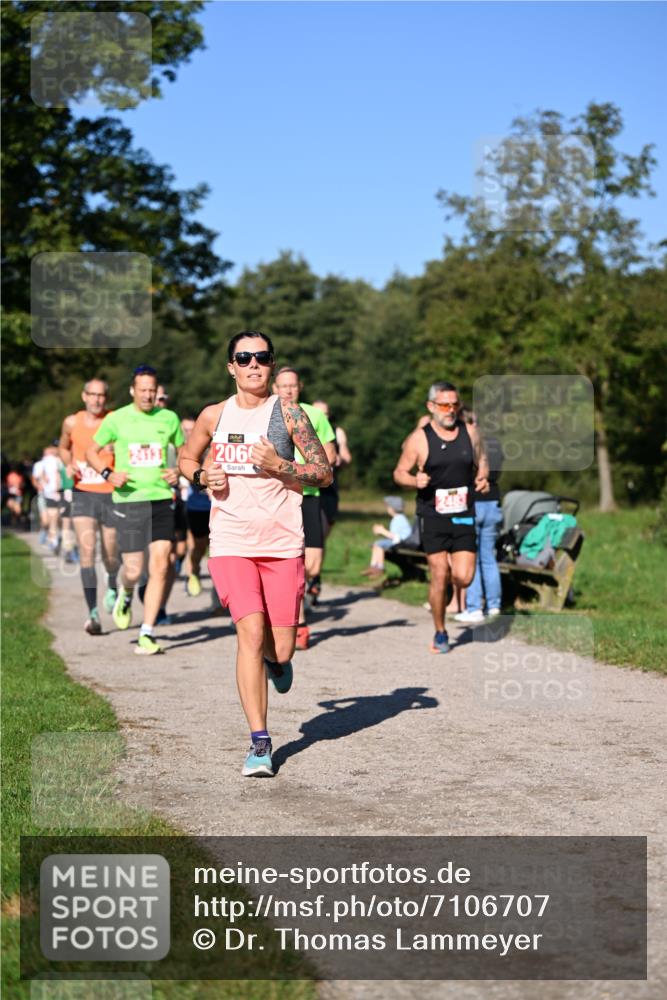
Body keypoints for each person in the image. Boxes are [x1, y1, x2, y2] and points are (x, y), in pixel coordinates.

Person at [179, 331, 331, 777]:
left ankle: (275, 662)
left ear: (271, 364)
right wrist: (203, 476)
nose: (253, 364)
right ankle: (260, 743)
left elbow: (323, 473)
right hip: (230, 542)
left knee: (280, 647)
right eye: (243, 358)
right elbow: (188, 461)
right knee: (249, 632)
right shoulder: (213, 415)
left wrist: (279, 465)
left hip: (282, 543)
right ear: (231, 366)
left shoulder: (288, 414)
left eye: (261, 358)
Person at [85, 364, 184, 655]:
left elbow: (187, 450)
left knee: (162, 564)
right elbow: (92, 451)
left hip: (161, 499)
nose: (148, 395)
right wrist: (107, 474)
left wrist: (178, 469)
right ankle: (126, 593)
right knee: (133, 569)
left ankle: (147, 631)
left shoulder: (169, 418)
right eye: (143, 390)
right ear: (132, 391)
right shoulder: (117, 419)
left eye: (152, 390)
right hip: (129, 500)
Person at [393, 381, 489, 654]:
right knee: (439, 572)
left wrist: (482, 476)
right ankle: (440, 631)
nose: (451, 410)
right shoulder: (419, 438)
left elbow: (482, 459)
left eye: (455, 405)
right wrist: (414, 480)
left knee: (464, 577)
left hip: (462, 513)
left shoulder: (470, 432)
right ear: (431, 407)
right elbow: (398, 472)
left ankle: (446, 590)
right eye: (445, 405)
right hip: (432, 513)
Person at [272, 369, 336, 650]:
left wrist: (302, 467)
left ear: (300, 387)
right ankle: (296, 619)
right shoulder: (267, 414)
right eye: (283, 386)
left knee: (311, 564)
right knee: (289, 562)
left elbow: (330, 456)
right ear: (275, 387)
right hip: (279, 496)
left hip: (308, 494)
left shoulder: (314, 415)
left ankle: (289, 603)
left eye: (292, 386)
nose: (287, 391)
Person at [59, 378, 120, 634]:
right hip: (83, 491)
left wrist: (116, 447)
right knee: (87, 551)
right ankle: (92, 613)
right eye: (92, 395)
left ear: (106, 398)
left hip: (111, 493)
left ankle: (113, 581)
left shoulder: (116, 419)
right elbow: (64, 448)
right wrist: (68, 463)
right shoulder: (71, 422)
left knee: (110, 554)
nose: (96, 399)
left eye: (101, 395)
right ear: (84, 396)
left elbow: (128, 447)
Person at [455, 408, 504, 623]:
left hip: (472, 502)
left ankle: (474, 607)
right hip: (493, 501)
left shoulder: (470, 443)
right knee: (488, 557)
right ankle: (494, 606)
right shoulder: (497, 445)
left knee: (470, 556)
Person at [360, 495, 413, 577]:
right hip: (399, 541)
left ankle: (380, 567)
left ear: (392, 509)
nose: (387, 509)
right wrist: (382, 532)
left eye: (388, 507)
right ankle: (373, 566)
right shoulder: (398, 518)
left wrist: (382, 531)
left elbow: (395, 537)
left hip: (402, 543)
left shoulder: (399, 519)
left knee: (379, 545)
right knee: (376, 544)